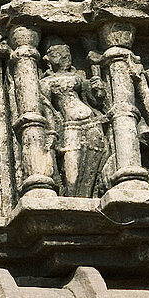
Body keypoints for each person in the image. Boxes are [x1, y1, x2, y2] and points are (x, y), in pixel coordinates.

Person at [39, 36, 111, 197]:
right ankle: (72, 195)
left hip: (91, 120)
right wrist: (51, 133)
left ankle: (90, 194)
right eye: (58, 53)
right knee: (71, 164)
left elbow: (93, 100)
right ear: (47, 59)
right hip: (69, 125)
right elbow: (48, 109)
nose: (65, 57)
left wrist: (98, 88)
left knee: (96, 157)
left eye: (67, 53)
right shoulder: (45, 83)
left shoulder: (78, 77)